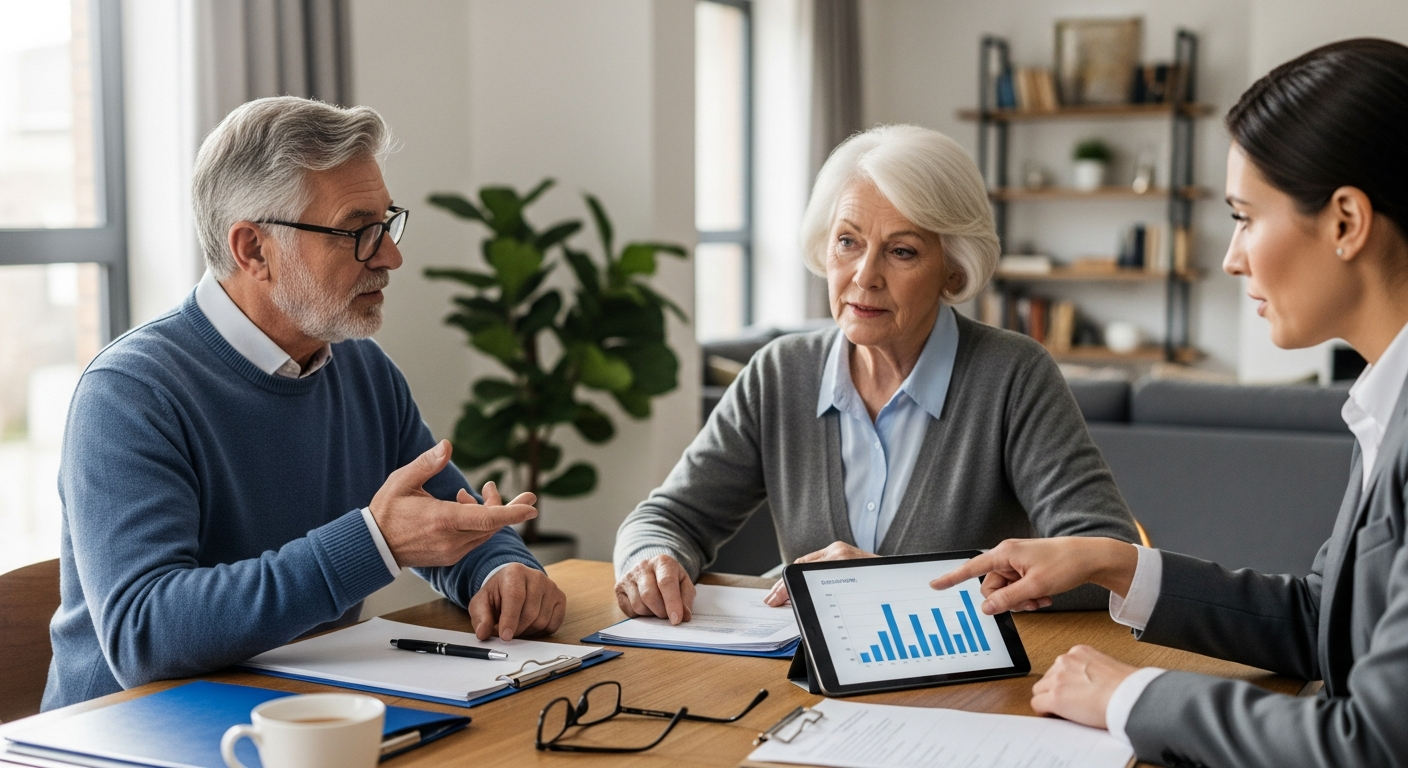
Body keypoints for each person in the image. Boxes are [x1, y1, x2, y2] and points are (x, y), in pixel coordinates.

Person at [932, 38, 1408, 767]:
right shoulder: (1385, 402)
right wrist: (1116, 563)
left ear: (1346, 222)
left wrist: (1127, 696)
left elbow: (1371, 743)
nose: (1231, 256)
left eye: (1246, 217)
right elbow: (1325, 621)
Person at [44, 97, 566, 710]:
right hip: (127, 736)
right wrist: (375, 544)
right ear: (254, 250)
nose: (390, 256)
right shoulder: (130, 393)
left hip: (302, 713)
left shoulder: (363, 368)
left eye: (388, 223)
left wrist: (501, 569)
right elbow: (145, 636)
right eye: (356, 232)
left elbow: (446, 514)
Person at [613, 124, 1139, 624]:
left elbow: (1111, 564)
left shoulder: (1013, 376)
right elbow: (668, 519)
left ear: (953, 270)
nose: (865, 276)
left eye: (902, 251)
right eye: (848, 241)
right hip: (807, 688)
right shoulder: (780, 373)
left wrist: (890, 583)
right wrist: (652, 559)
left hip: (964, 693)